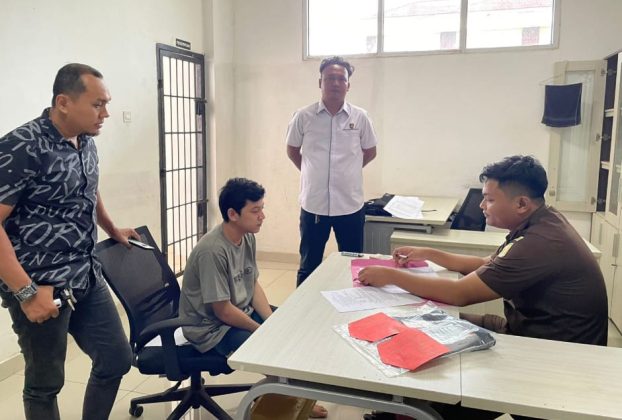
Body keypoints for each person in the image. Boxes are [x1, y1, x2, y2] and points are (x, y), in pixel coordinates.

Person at [360, 155, 608, 420]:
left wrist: (391, 276)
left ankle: (420, 412)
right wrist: (429, 253)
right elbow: (485, 264)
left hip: (552, 358)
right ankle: (407, 408)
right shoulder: (542, 221)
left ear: (521, 204)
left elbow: (459, 294)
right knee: (431, 320)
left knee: (442, 341)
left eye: (489, 199)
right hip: (530, 331)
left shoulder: (539, 242)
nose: (481, 206)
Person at [0, 63, 138, 420]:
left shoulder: (86, 140)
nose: (106, 113)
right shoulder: (23, 145)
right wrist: (26, 293)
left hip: (85, 273)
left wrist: (111, 228)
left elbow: (88, 188)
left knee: (116, 359)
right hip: (40, 283)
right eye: (97, 104)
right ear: (63, 102)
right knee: (45, 385)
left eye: (106, 104)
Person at [179, 177, 328, 418]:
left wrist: (270, 321)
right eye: (255, 210)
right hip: (212, 328)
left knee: (293, 328)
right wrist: (261, 331)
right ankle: (288, 401)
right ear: (233, 214)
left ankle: (294, 397)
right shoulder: (212, 251)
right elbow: (222, 311)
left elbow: (252, 284)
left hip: (238, 312)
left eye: (262, 209)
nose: (262, 216)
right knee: (271, 349)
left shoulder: (247, 236)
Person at [286, 56, 378, 286]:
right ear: (320, 82)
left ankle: (350, 306)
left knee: (353, 265)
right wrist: (312, 172)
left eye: (341, 79)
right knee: (309, 266)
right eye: (329, 78)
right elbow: (292, 150)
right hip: (314, 205)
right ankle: (304, 307)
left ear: (348, 85)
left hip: (350, 205)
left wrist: (347, 172)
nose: (335, 83)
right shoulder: (303, 116)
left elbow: (370, 151)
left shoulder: (360, 117)